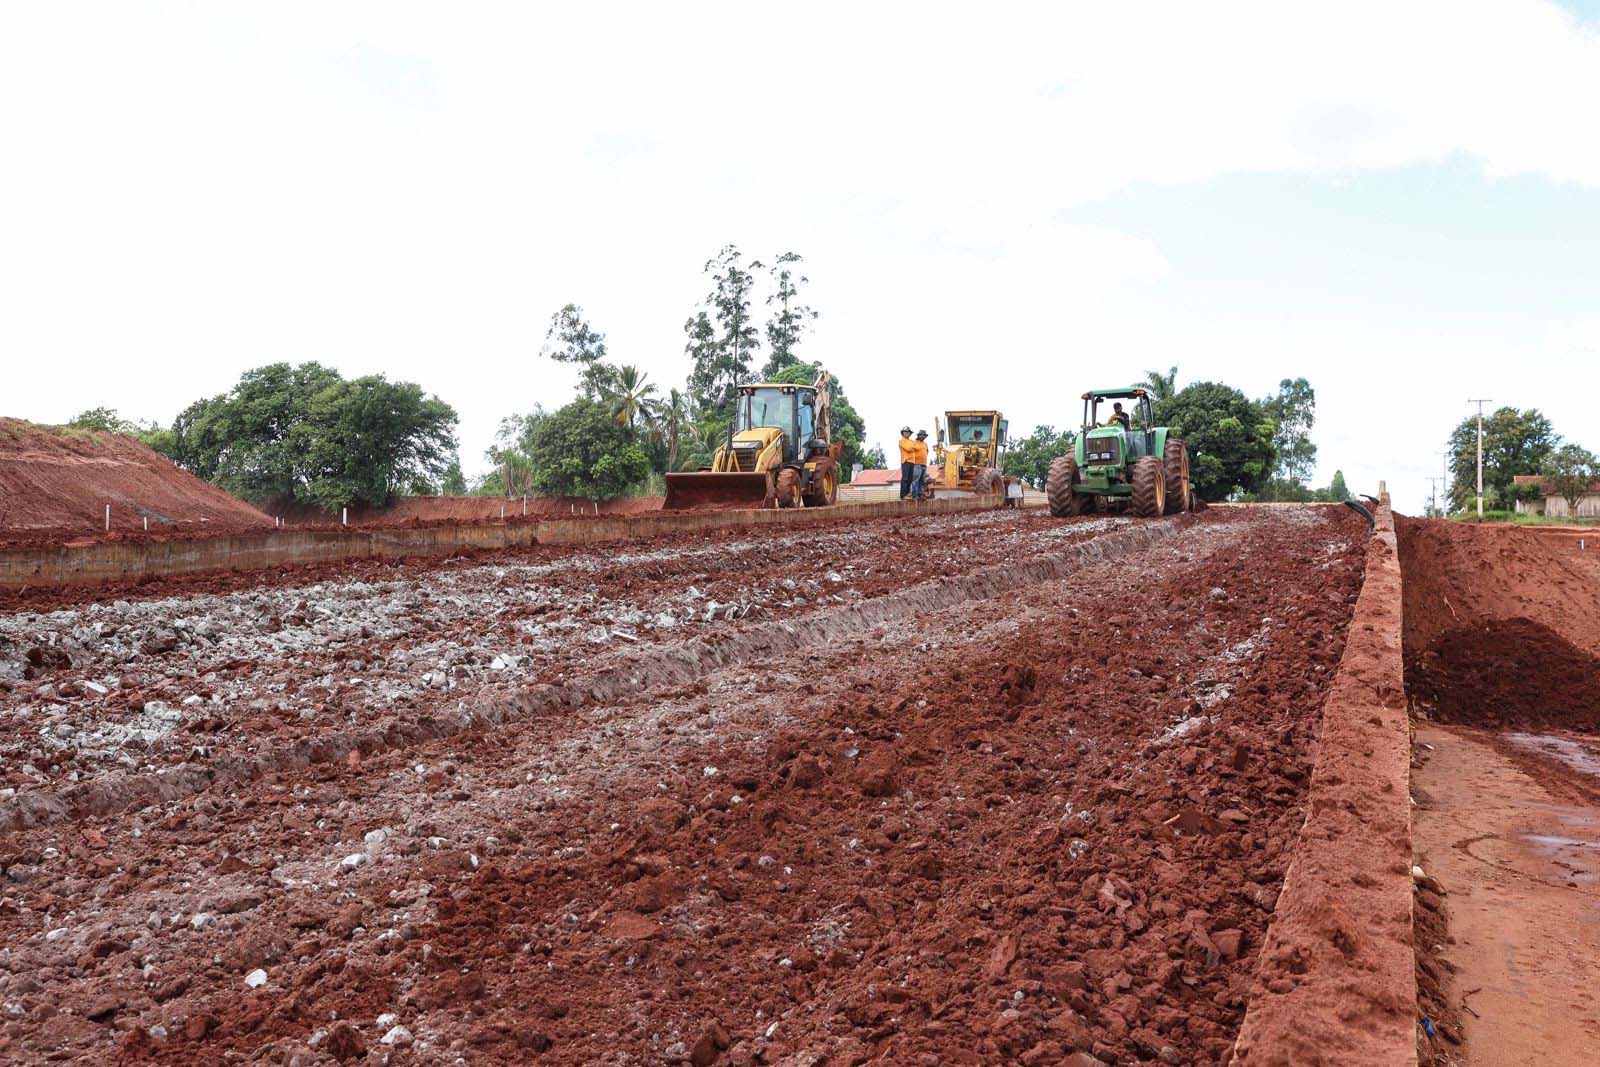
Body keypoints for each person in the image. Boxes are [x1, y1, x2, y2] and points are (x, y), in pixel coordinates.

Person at [897, 426, 917, 499]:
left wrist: (913, 448)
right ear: (903, 433)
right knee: (905, 478)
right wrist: (913, 448)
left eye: (908, 432)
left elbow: (917, 448)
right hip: (905, 461)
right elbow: (908, 449)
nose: (907, 433)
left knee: (910, 479)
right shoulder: (902, 441)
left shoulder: (912, 441)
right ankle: (903, 495)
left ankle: (907, 494)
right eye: (905, 432)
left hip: (912, 461)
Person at [912, 429, 930, 499]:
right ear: (918, 435)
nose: (922, 436)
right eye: (921, 435)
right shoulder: (914, 442)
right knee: (915, 481)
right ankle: (914, 496)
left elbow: (927, 452)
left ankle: (919, 495)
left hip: (924, 464)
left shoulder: (925, 444)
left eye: (924, 435)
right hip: (916, 464)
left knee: (921, 481)